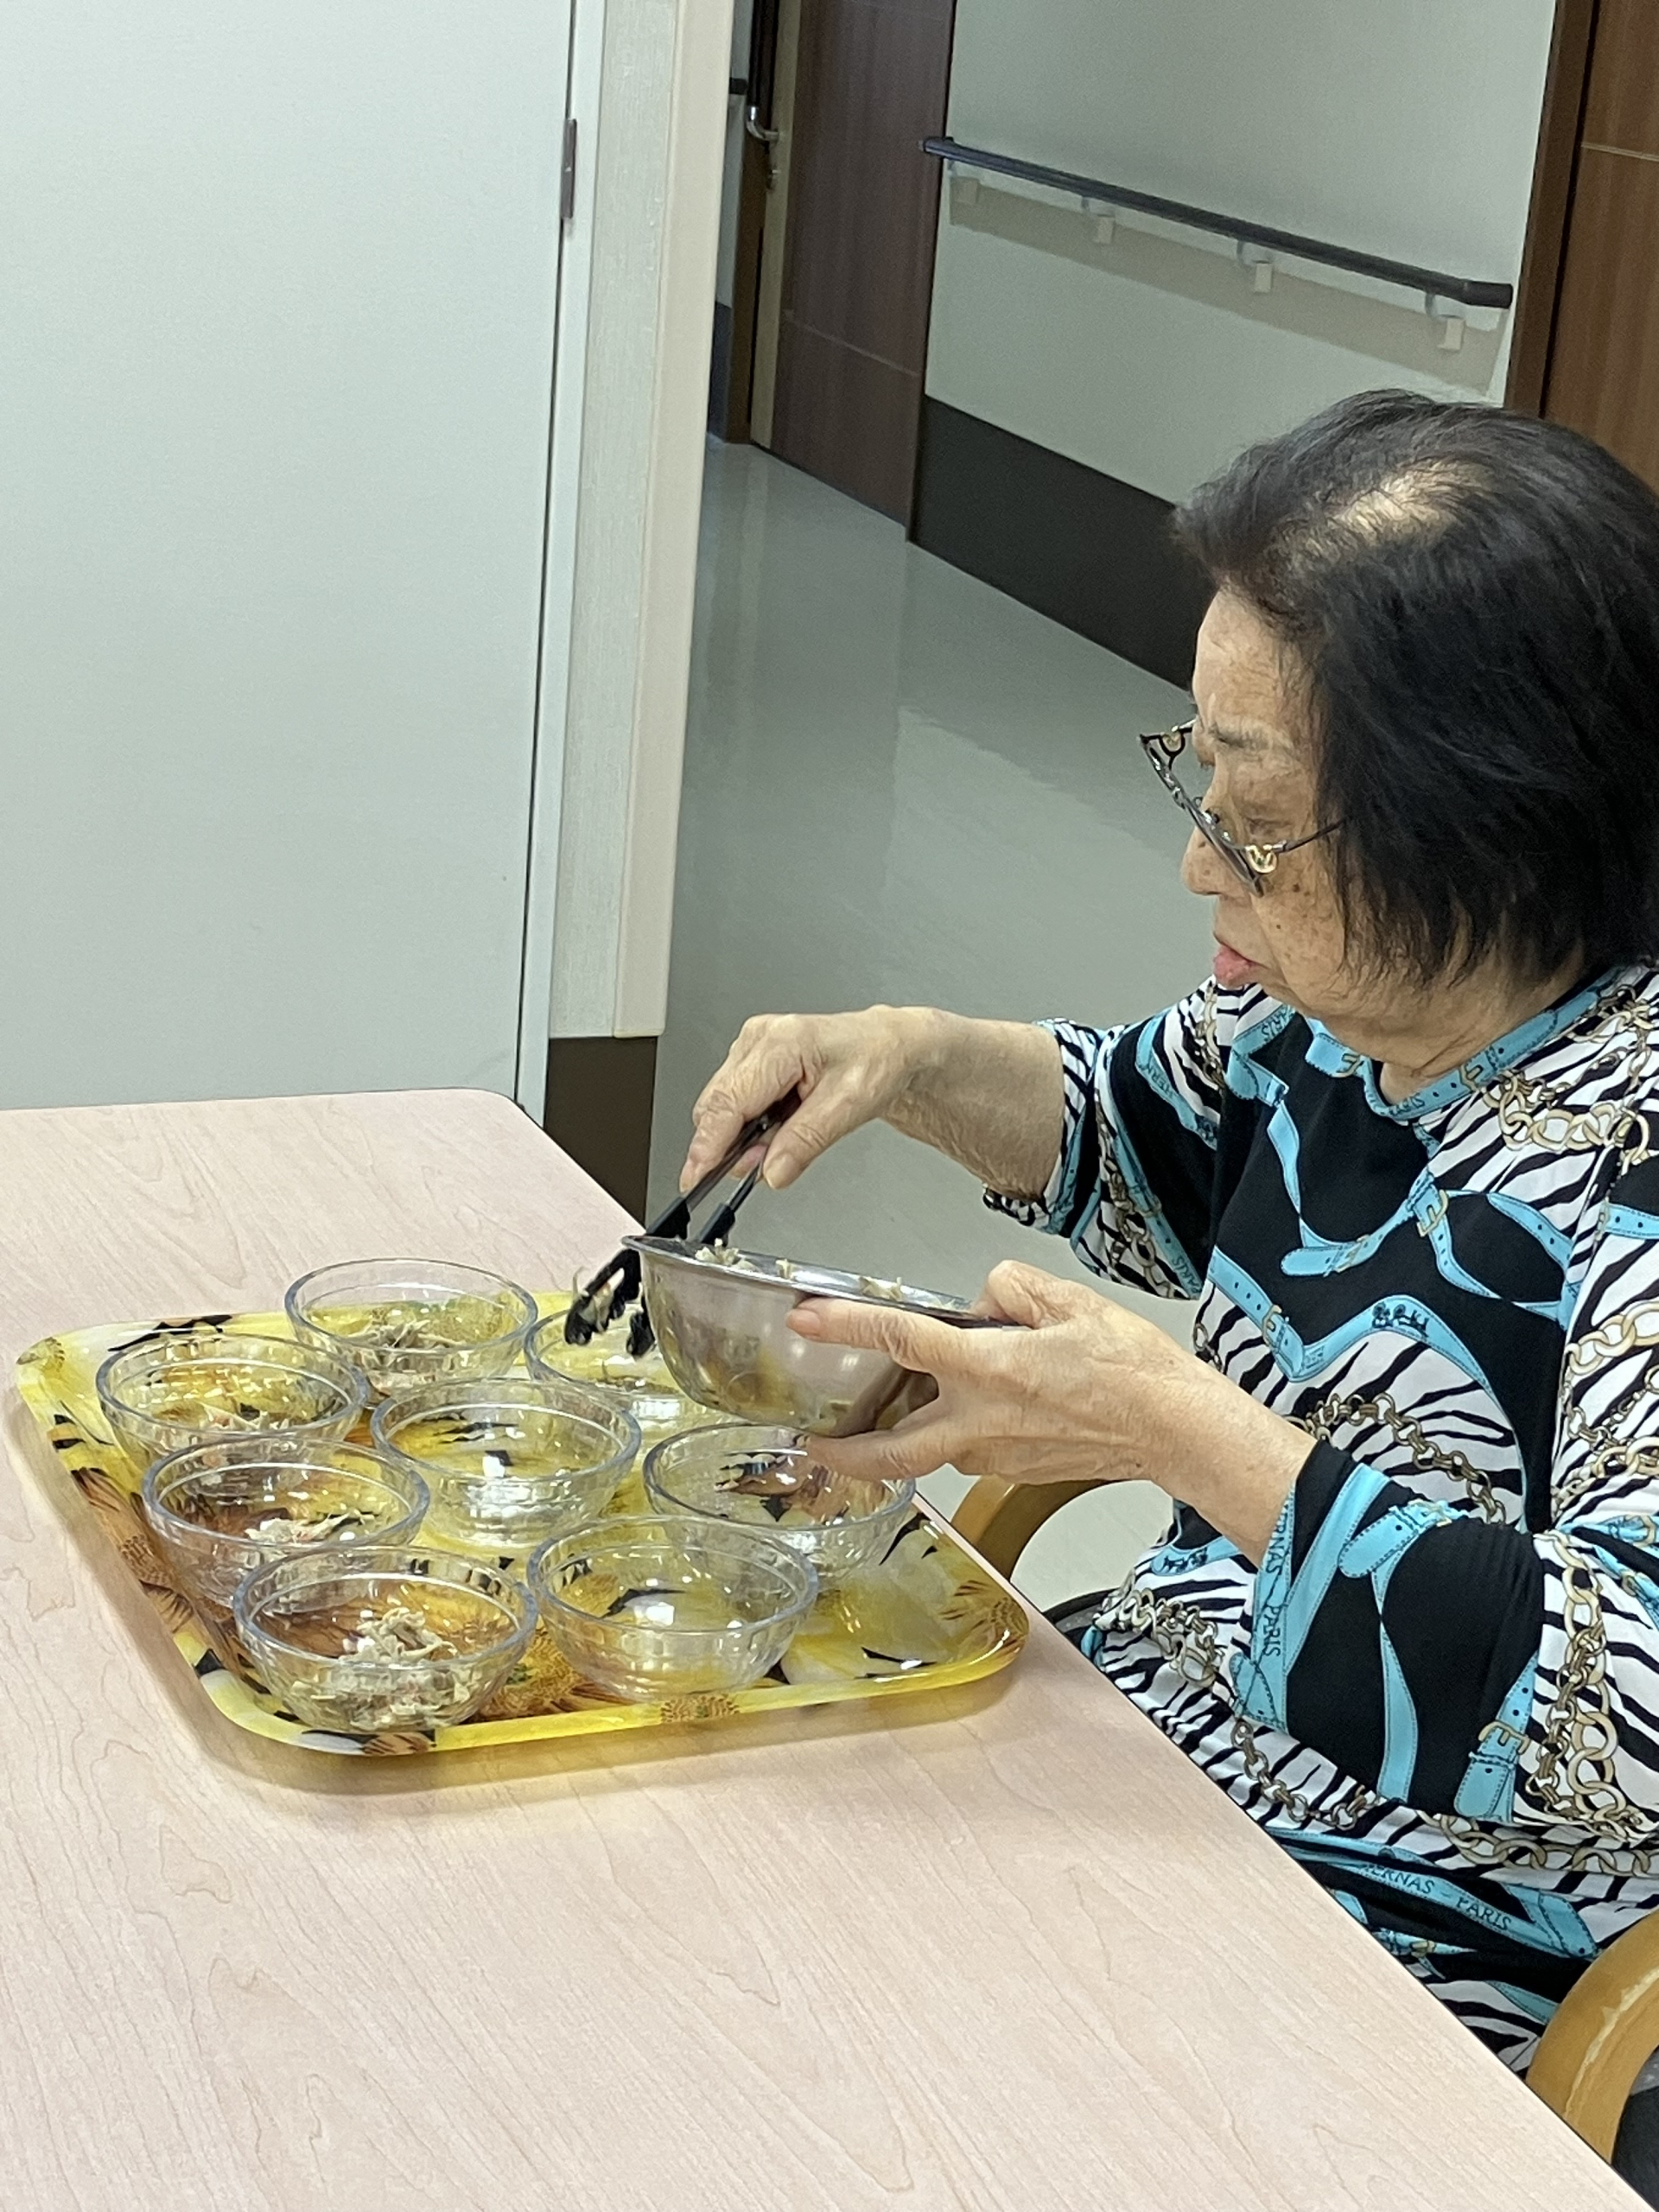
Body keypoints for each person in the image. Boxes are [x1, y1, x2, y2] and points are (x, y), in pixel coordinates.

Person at [681, 391, 1659, 2160]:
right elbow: (1141, 1126)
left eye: (1260, 815)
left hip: (1419, 1910)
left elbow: (1620, 1713)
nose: (1201, 858)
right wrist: (907, 1054)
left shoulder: (1631, 1154)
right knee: (716, 1897)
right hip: (1167, 1734)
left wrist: (1172, 1427)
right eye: (1199, 777)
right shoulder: (1342, 1012)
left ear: (1492, 826)